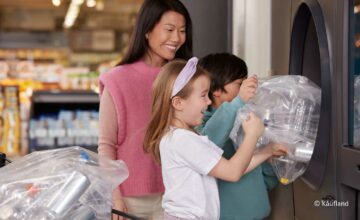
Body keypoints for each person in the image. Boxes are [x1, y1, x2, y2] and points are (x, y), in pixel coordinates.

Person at [143, 57, 286, 219]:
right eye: (203, 96)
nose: (208, 101)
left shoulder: (182, 137)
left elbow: (229, 168)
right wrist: (252, 135)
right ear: (178, 103)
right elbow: (233, 172)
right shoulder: (183, 140)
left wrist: (268, 151)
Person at [97, 0, 193, 219]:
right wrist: (116, 197)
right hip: (130, 200)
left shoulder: (187, 78)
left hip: (179, 194)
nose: (177, 38)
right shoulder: (116, 79)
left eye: (182, 31)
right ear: (147, 31)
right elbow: (106, 145)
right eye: (169, 29)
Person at [197, 53, 281, 219]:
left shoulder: (244, 117)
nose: (245, 87)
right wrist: (238, 101)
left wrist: (268, 175)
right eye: (239, 83)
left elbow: (259, 166)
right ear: (215, 90)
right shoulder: (202, 125)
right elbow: (210, 141)